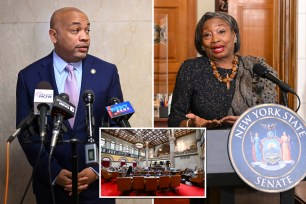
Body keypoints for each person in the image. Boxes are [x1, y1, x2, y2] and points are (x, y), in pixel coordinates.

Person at [16, 7, 121, 204]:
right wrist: (53, 172)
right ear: (53, 35)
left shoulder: (107, 72)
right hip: (52, 189)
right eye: (76, 30)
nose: (85, 37)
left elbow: (116, 127)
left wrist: (96, 170)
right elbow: (26, 134)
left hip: (97, 187)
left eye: (87, 30)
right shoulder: (29, 77)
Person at [168, 12, 277, 128]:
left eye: (221, 31)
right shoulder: (191, 69)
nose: (215, 39)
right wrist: (192, 124)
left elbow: (272, 116)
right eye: (207, 35)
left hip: (250, 142)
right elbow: (175, 119)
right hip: (209, 142)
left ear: (234, 36)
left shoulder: (255, 68)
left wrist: (246, 120)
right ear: (202, 44)